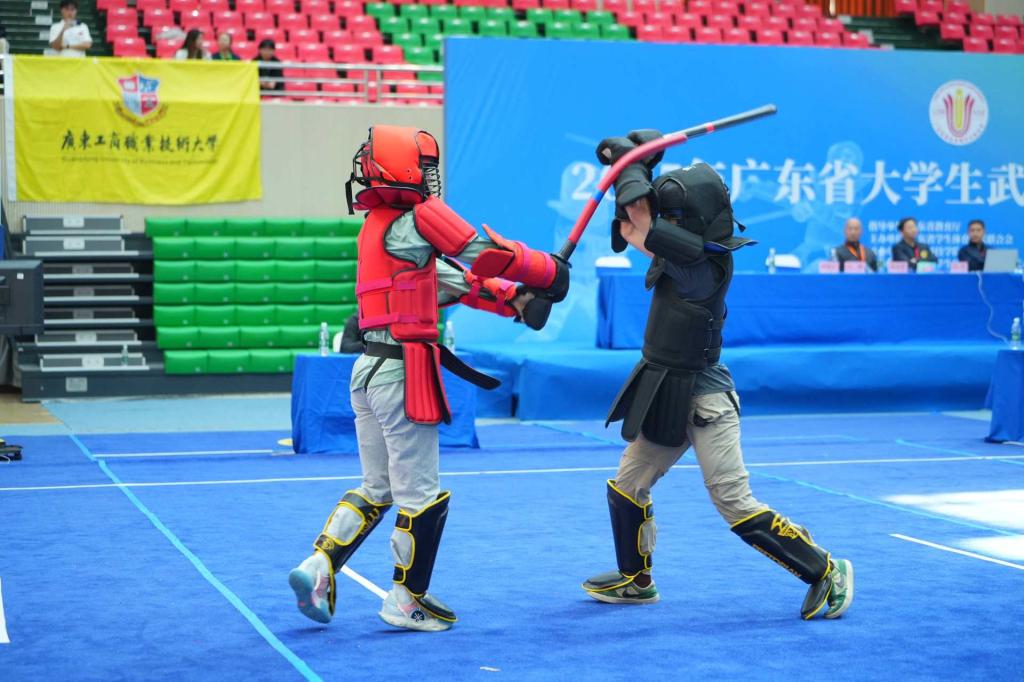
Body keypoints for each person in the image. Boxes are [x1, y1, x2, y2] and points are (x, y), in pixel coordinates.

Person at [288, 125, 569, 632]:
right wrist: (545, 271)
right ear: (406, 168)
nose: (430, 176)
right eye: (425, 167)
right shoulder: (419, 217)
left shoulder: (378, 228)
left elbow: (449, 281)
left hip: (367, 370)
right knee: (421, 496)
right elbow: (479, 252)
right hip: (401, 372)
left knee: (376, 488)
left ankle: (320, 563)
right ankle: (406, 600)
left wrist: (516, 300)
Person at [580, 131, 853, 621]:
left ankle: (825, 570)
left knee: (733, 501)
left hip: (706, 400)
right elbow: (630, 227)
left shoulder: (700, 267)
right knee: (627, 485)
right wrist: (642, 164)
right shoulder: (689, 254)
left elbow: (638, 221)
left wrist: (630, 164)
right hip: (667, 388)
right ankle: (636, 581)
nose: (666, 223)